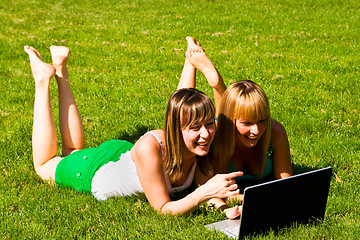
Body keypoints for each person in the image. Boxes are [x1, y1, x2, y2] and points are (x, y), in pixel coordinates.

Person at [24, 45, 243, 217]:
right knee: (46, 163)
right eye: (195, 127)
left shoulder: (199, 149)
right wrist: (203, 193)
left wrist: (227, 208)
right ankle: (43, 80)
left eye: (209, 124)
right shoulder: (153, 147)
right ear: (176, 129)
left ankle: (61, 71)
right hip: (93, 171)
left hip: (125, 155)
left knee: (74, 149)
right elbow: (163, 209)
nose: (205, 133)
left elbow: (208, 189)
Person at [180, 37, 293, 193]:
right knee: (185, 113)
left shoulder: (275, 131)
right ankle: (202, 71)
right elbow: (211, 191)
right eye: (247, 123)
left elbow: (287, 185)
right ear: (233, 121)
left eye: (262, 120)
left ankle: (207, 74)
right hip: (222, 128)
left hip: (227, 121)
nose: (256, 130)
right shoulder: (212, 135)